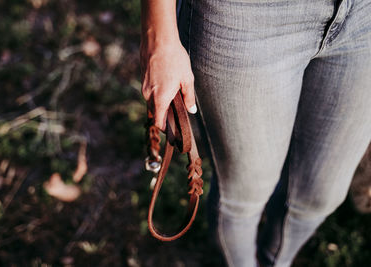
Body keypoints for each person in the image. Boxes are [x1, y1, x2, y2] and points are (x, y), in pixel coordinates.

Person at [140, 0, 371, 266]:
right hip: (246, 16)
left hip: (364, 14)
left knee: (320, 195)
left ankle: (276, 260)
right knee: (244, 195)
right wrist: (159, 35)